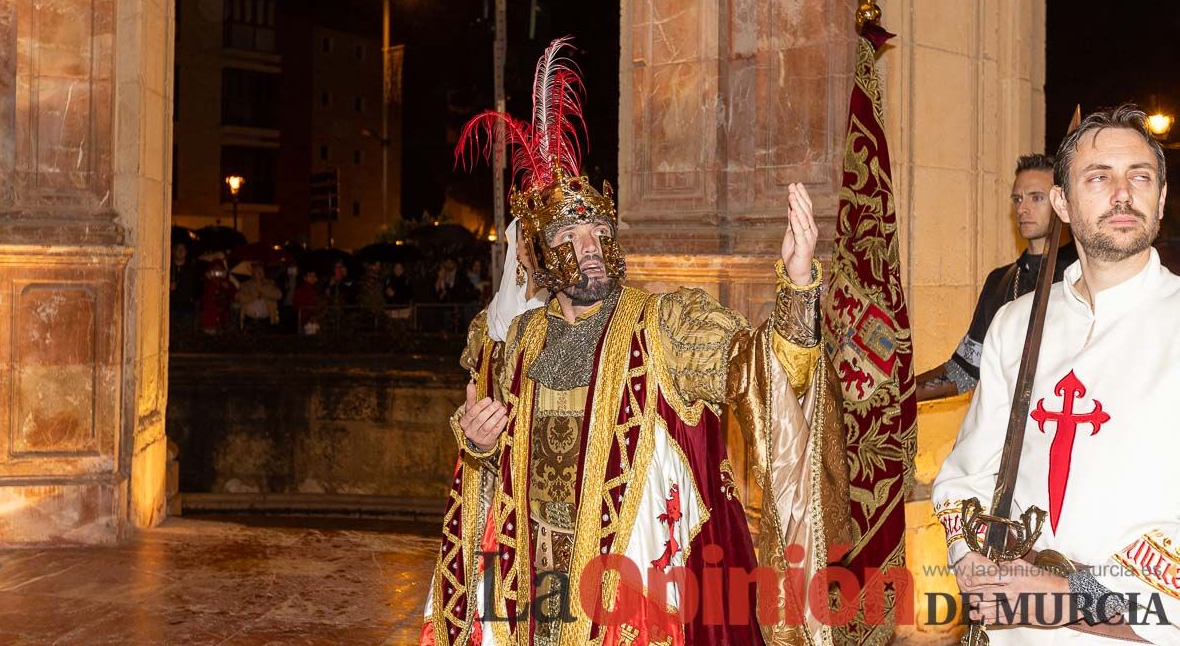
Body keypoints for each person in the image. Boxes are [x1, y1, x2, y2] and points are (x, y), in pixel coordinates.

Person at [421, 37, 846, 646]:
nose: (591, 244)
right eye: (572, 235)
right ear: (540, 257)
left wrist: (797, 286)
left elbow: (756, 369)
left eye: (598, 229)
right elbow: (490, 473)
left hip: (632, 592)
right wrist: (480, 443)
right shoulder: (518, 341)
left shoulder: (665, 325)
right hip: (533, 585)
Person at [933, 105, 1180, 642]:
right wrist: (971, 563)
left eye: (1140, 177)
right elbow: (969, 474)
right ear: (1063, 203)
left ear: (1160, 199)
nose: (1123, 193)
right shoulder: (1016, 324)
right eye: (1099, 177)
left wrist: (1069, 599)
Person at [917, 155, 1078, 401]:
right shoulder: (999, 281)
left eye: (1036, 198)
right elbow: (965, 370)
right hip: (1004, 428)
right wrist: (895, 394)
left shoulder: (1081, 275)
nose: (1023, 209)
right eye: (1017, 199)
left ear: (1061, 201)